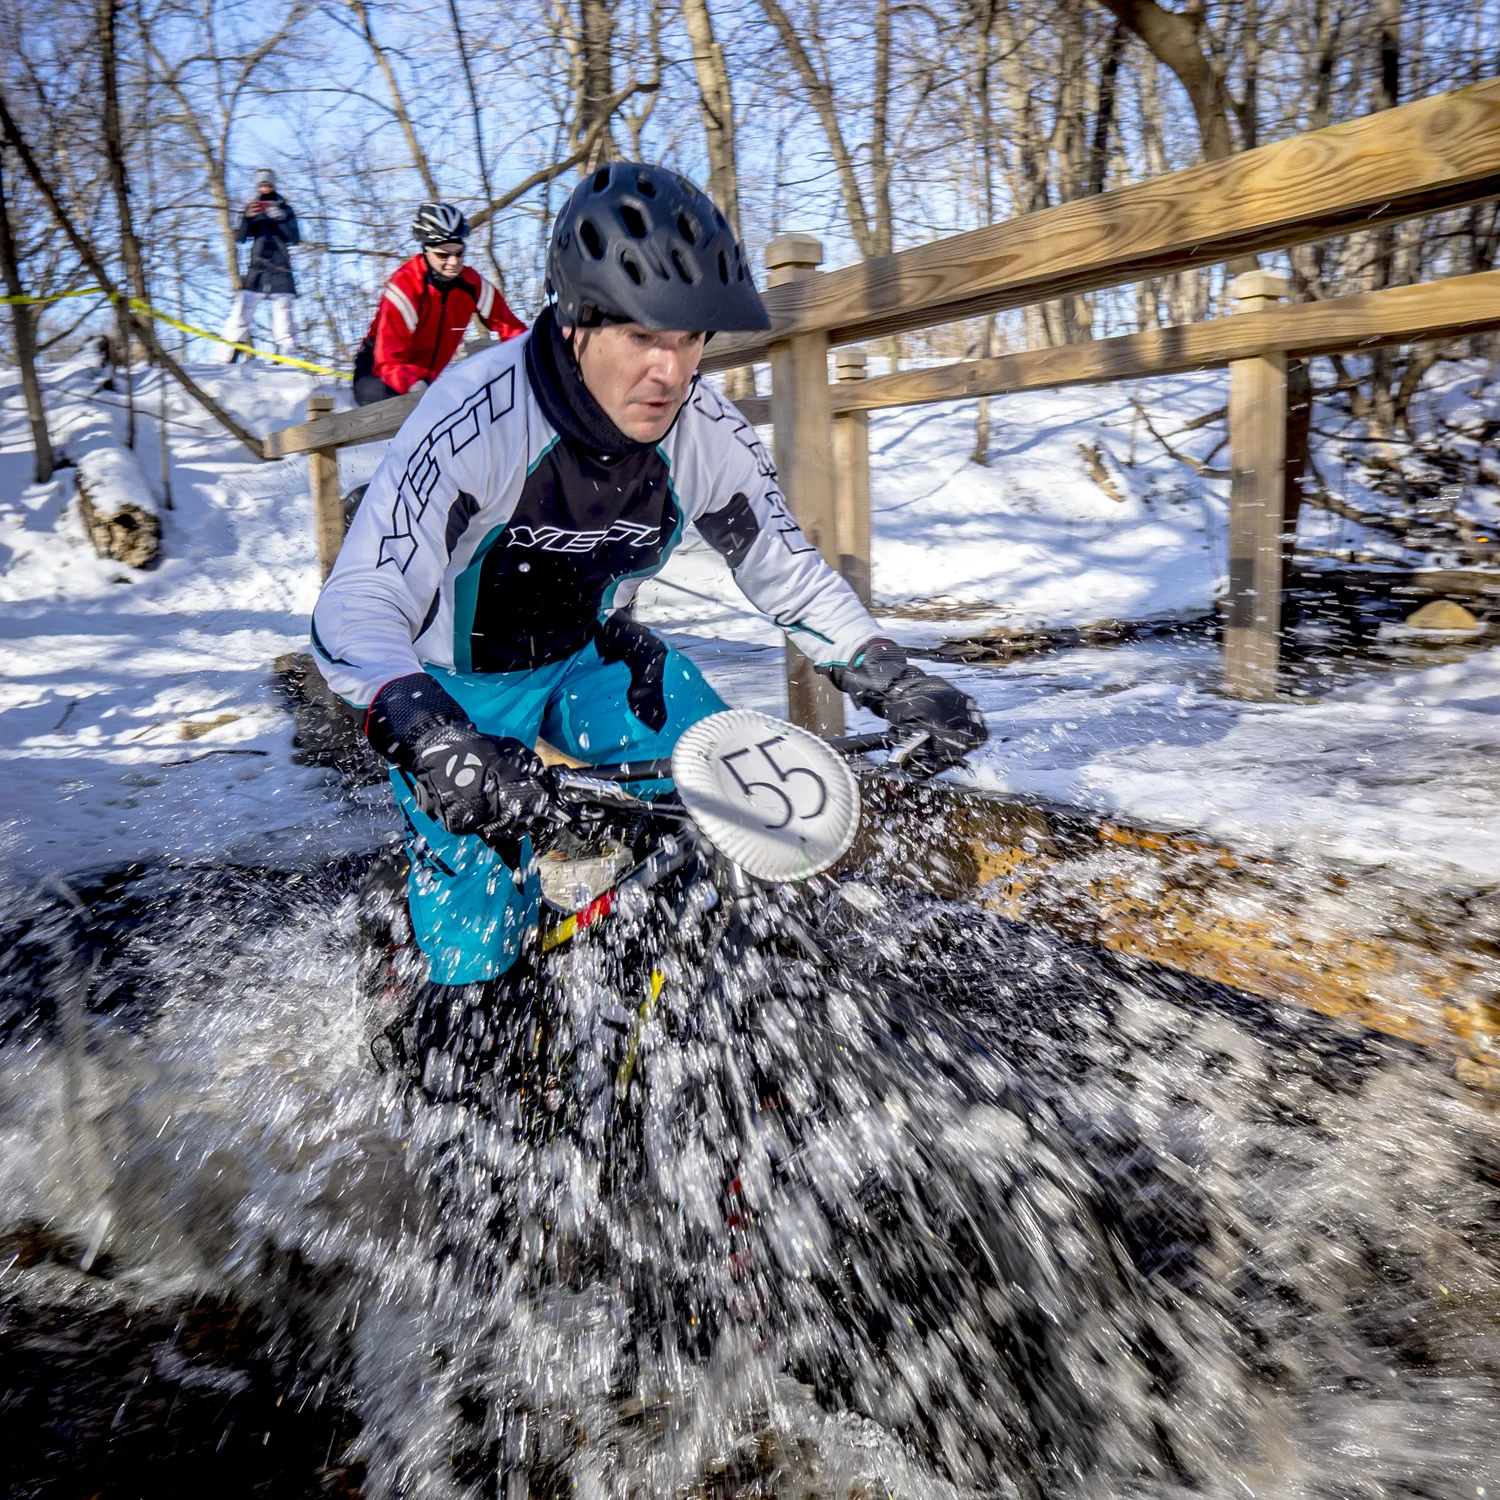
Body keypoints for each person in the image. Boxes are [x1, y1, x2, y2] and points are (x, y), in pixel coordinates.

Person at [310, 162, 985, 1097]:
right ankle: (455, 1064)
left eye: (691, 337)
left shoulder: (703, 430)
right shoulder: (474, 418)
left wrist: (889, 675)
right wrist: (431, 737)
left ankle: (697, 1026)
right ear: (578, 318)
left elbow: (783, 569)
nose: (670, 370)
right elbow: (358, 601)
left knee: (743, 816)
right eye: (640, 335)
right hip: (458, 693)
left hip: (596, 662)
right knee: (479, 965)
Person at [352, 202, 526, 407]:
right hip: (379, 375)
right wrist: (416, 385)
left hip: (427, 382)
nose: (453, 262)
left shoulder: (471, 284)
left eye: (459, 253)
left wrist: (531, 355)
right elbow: (389, 362)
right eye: (443, 254)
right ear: (426, 251)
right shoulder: (406, 286)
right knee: (417, 410)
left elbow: (512, 328)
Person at [220, 169, 300, 361]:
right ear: (258, 186)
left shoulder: (285, 209)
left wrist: (279, 218)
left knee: (284, 320)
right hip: (257, 268)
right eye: (261, 185)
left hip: (281, 269)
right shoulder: (253, 207)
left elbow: (295, 238)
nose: (265, 188)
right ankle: (226, 356)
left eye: (268, 185)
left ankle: (287, 359)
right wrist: (247, 218)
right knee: (240, 312)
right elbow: (240, 238)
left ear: (273, 185)